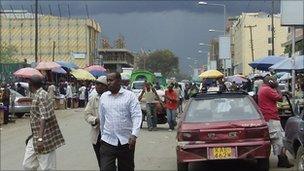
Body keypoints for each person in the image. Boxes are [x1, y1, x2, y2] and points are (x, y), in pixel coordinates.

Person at [99, 72, 142, 171]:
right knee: (105, 168)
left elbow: (137, 115)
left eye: (111, 80)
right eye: (108, 80)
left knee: (126, 168)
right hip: (108, 141)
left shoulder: (130, 96)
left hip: (126, 142)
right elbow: (102, 118)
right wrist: (102, 135)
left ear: (119, 81)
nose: (108, 83)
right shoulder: (104, 97)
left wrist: (134, 135)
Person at [22, 75, 65, 170]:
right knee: (28, 165)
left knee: (47, 168)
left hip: (45, 137)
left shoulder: (41, 95)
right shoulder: (38, 94)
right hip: (35, 136)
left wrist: (40, 139)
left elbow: (43, 117)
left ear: (30, 85)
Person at [258, 75, 293, 168]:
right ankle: (282, 161)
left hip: (267, 117)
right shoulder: (267, 89)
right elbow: (280, 98)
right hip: (271, 118)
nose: (276, 82)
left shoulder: (263, 88)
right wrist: (277, 86)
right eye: (275, 81)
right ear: (270, 82)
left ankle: (281, 160)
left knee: (276, 139)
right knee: (279, 140)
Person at [84, 76, 108, 170]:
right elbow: (87, 114)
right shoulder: (94, 98)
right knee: (101, 161)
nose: (96, 87)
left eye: (99, 84)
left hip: (110, 135)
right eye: (96, 84)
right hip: (97, 135)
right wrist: (95, 120)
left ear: (105, 86)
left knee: (108, 161)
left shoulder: (112, 98)